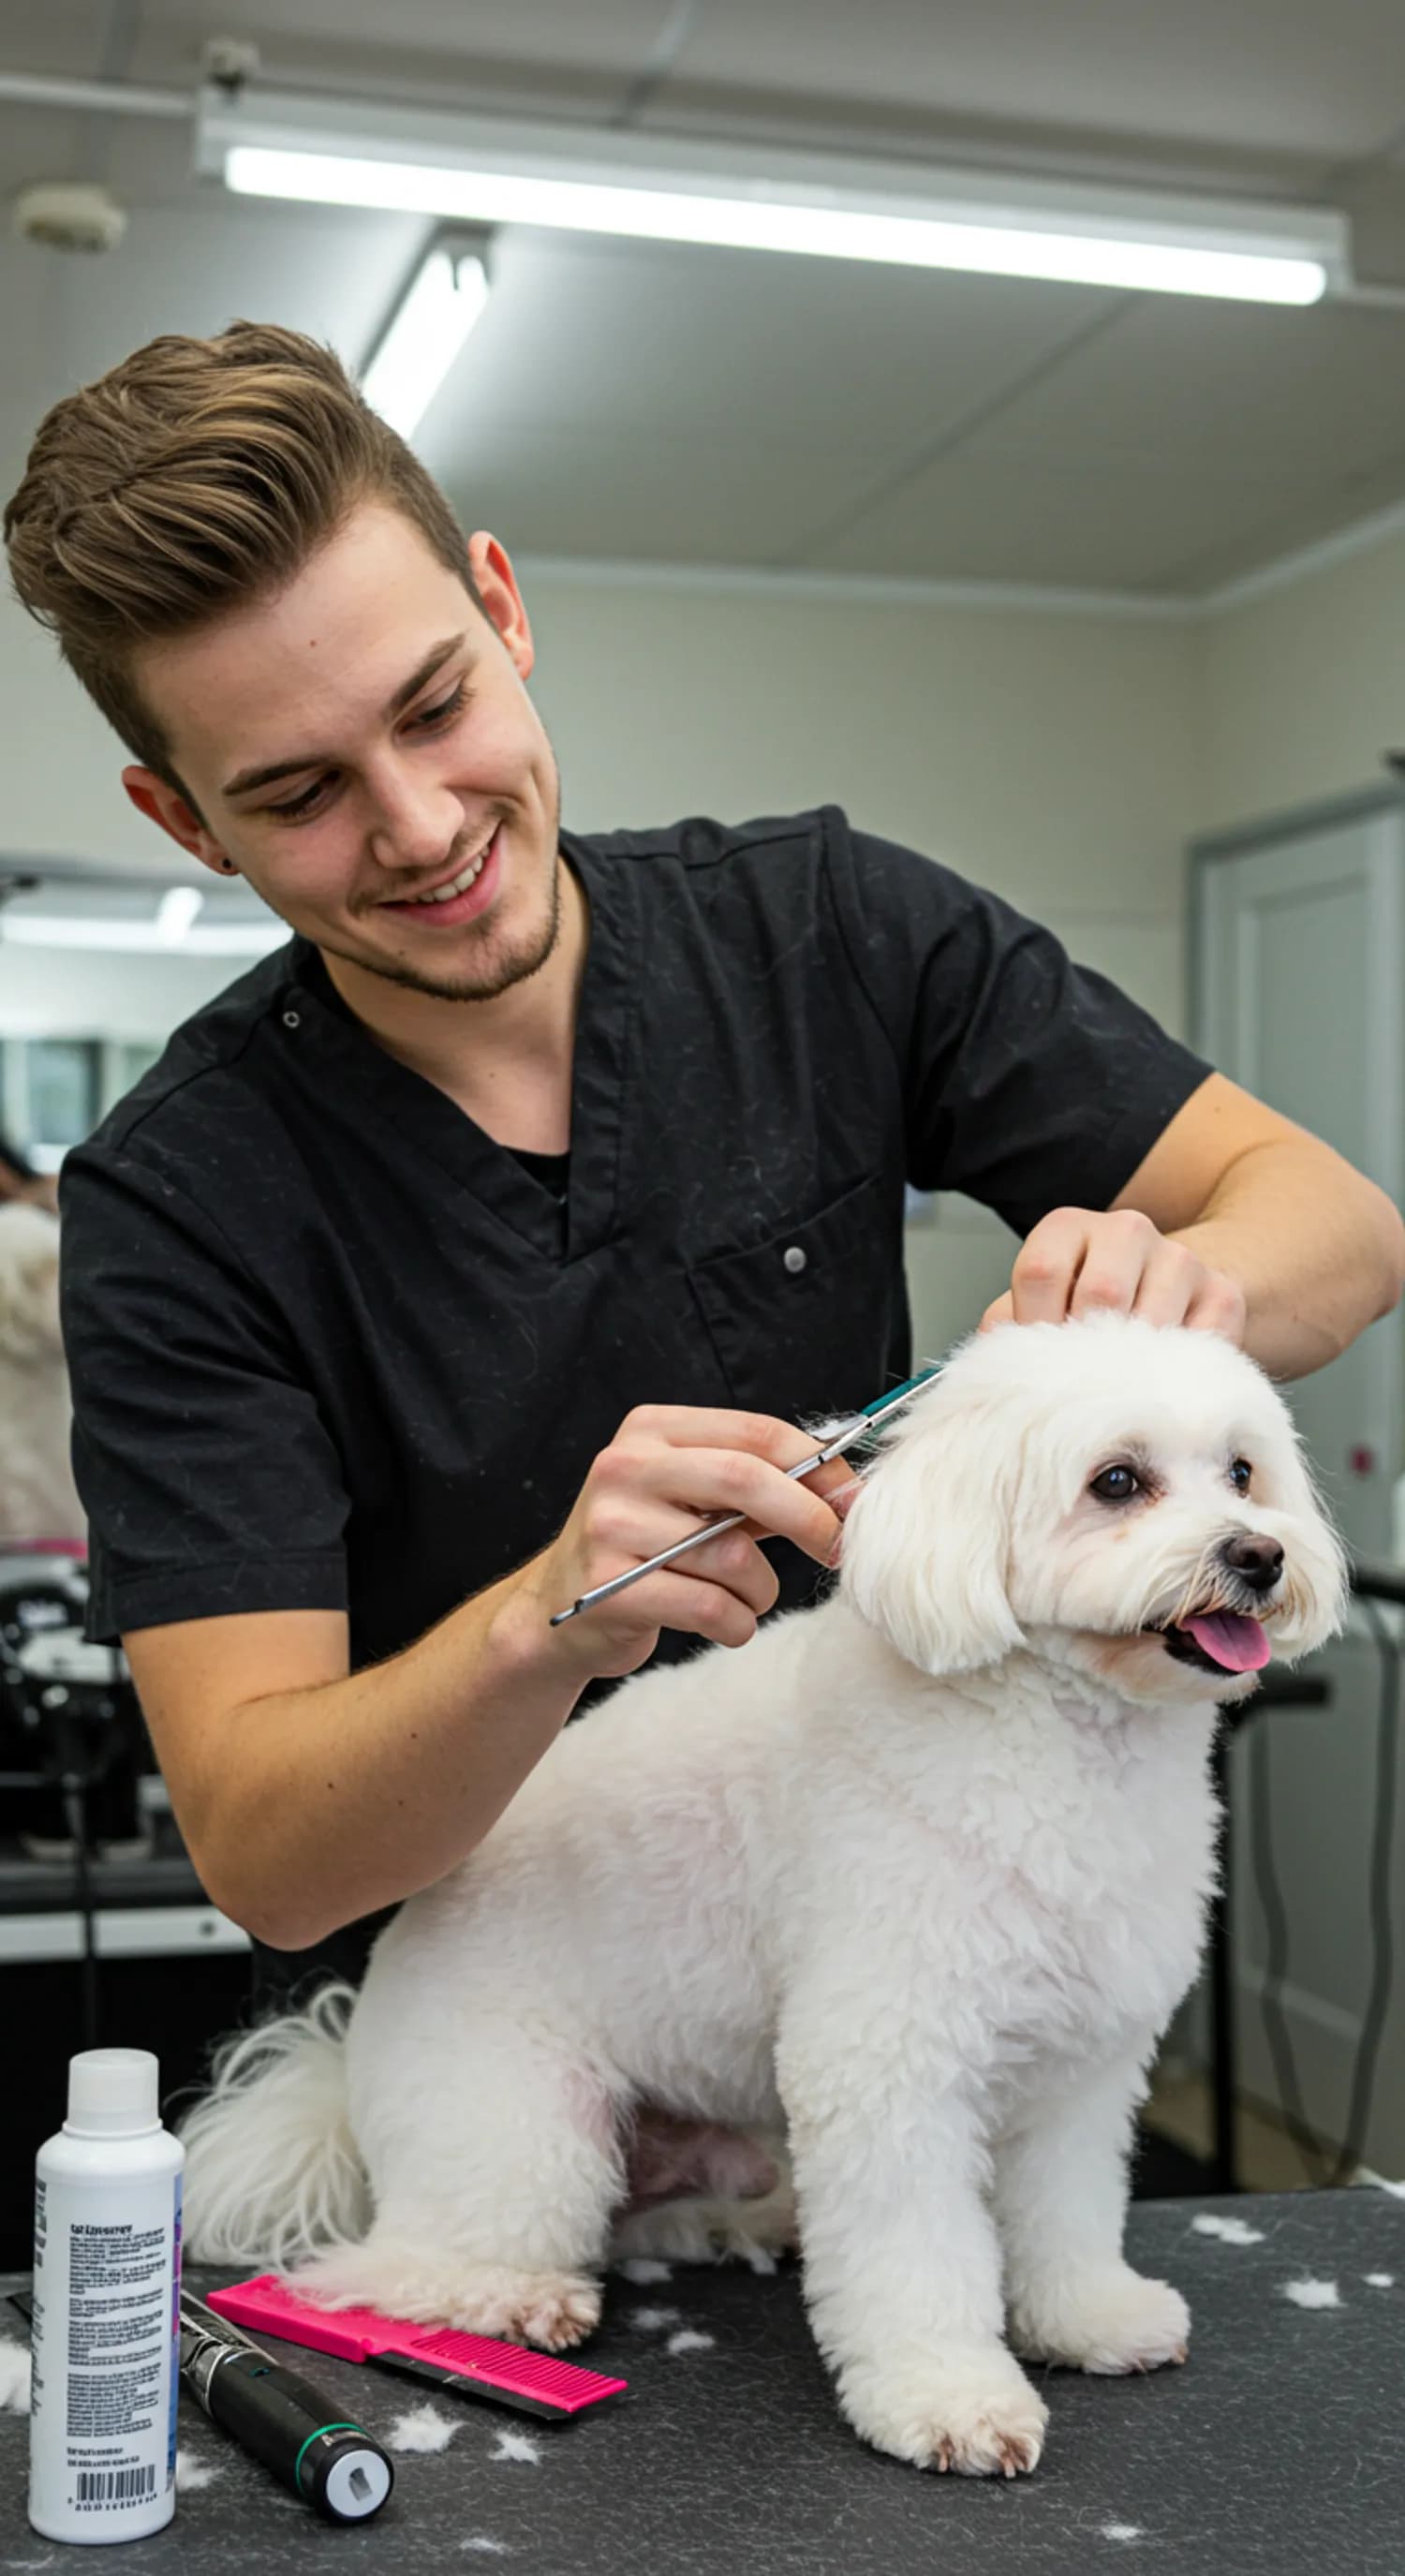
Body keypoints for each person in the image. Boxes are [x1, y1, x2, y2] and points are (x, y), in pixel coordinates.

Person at [5, 324, 1401, 2031]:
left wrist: (1186, 1304)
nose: (421, 826)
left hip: (906, 2006)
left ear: (502, 607)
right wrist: (541, 1625)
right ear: (184, 822)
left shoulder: (831, 930)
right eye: (297, 795)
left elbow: (1335, 1219)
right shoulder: (181, 1201)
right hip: (491, 2056)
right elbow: (267, 1856)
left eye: (437, 706)